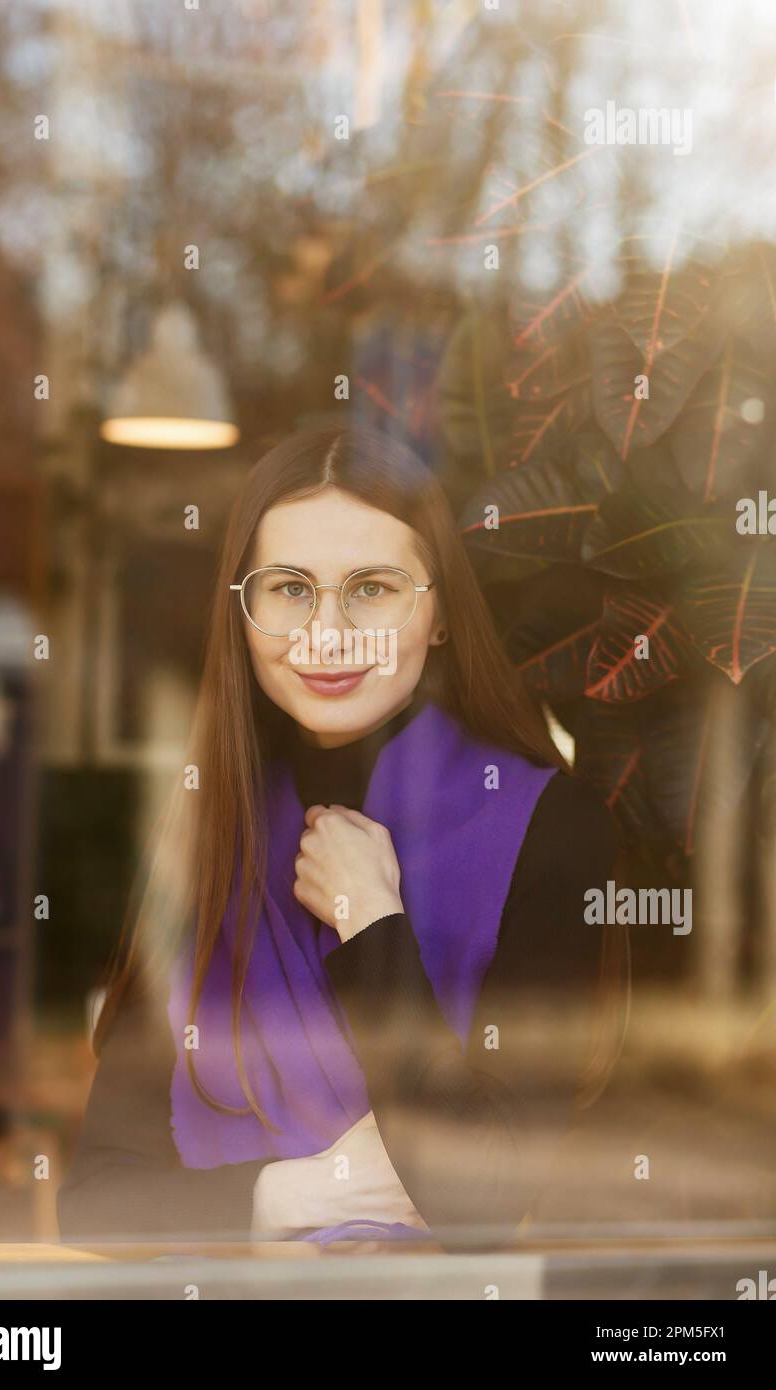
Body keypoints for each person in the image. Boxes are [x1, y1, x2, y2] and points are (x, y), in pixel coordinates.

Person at [57, 426, 625, 1250]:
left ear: (438, 617)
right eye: (289, 589)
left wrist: (371, 921)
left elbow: (482, 1202)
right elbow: (96, 1203)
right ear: (243, 615)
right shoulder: (209, 833)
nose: (327, 633)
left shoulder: (550, 828)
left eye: (372, 588)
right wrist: (294, 1195)